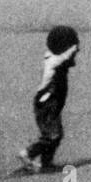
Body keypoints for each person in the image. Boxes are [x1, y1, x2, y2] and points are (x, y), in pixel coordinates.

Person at [18, 25, 79, 173]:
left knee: (55, 135)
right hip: (46, 103)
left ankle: (46, 163)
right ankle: (28, 153)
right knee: (53, 135)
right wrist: (74, 47)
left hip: (52, 103)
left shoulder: (55, 58)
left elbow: (68, 60)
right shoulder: (53, 61)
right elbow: (64, 58)